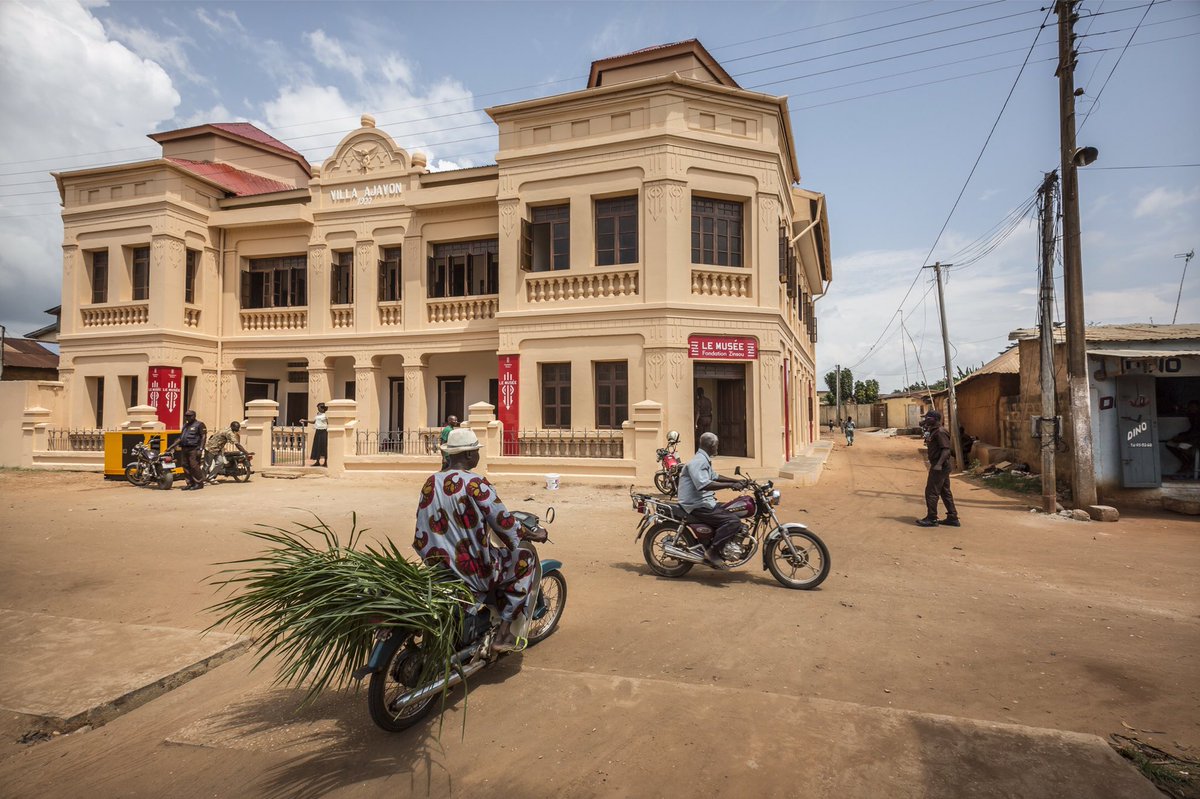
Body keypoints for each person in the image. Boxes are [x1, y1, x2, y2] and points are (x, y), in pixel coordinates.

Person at [414, 428, 547, 654]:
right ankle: (504, 633)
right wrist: (536, 535)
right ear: (468, 455)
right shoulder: (476, 484)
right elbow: (504, 523)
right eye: (476, 451)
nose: (478, 456)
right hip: (471, 569)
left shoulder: (431, 481)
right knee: (524, 559)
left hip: (436, 565)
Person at [676, 432, 747, 570]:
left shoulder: (703, 459)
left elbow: (714, 476)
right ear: (712, 445)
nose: (717, 447)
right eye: (717, 445)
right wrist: (731, 485)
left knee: (730, 509)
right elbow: (704, 484)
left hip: (704, 501)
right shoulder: (699, 461)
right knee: (733, 521)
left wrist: (736, 481)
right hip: (696, 504)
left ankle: (717, 542)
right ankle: (712, 552)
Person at [916, 409, 960, 527]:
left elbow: (946, 450)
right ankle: (952, 517)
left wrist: (938, 465)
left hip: (939, 466)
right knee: (945, 492)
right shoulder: (933, 430)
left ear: (934, 419)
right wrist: (924, 425)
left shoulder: (940, 432)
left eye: (928, 418)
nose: (925, 420)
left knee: (931, 492)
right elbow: (926, 433)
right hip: (940, 466)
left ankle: (932, 518)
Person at [171, 409, 207, 491]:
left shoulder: (199, 425)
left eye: (189, 416)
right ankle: (190, 483)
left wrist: (201, 449)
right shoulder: (185, 426)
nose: (187, 417)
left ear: (194, 416)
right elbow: (180, 438)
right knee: (185, 465)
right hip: (184, 448)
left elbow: (203, 437)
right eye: (186, 416)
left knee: (194, 466)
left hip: (194, 449)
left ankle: (198, 483)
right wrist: (171, 447)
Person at [1165, 400, 1200, 476]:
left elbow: (1197, 433)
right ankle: (1186, 463)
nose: (1191, 409)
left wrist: (1183, 438)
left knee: (1182, 446)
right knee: (1169, 444)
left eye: (1193, 407)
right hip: (1191, 439)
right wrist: (1181, 435)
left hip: (1196, 441)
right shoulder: (1192, 416)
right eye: (1190, 407)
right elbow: (1192, 430)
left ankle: (1190, 465)